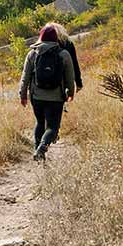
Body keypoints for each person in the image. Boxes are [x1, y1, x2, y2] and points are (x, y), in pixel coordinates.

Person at [19, 24, 76, 161]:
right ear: (56, 38)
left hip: (36, 97)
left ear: (41, 37)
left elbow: (25, 76)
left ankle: (37, 151)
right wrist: (71, 92)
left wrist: (23, 95)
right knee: (52, 127)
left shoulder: (32, 53)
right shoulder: (63, 54)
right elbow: (70, 77)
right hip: (56, 97)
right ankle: (42, 148)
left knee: (39, 122)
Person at [48, 21, 83, 91]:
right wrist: (79, 82)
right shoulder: (68, 44)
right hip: (63, 81)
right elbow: (74, 64)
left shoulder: (42, 45)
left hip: (43, 81)